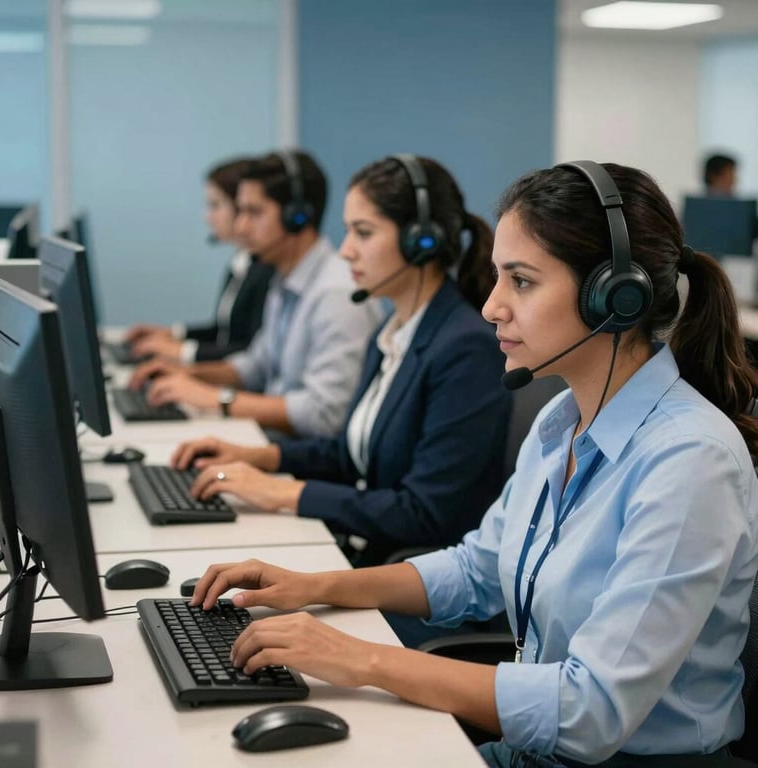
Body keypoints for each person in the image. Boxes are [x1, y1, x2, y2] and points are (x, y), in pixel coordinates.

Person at [190, 161, 758, 766]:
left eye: (521, 281)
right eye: (497, 278)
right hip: (535, 751)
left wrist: (363, 659)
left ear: (615, 297)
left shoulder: (689, 461)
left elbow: (591, 711)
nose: (490, 307)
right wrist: (313, 587)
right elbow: (477, 568)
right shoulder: (560, 419)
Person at [170, 155, 512, 567]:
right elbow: (350, 455)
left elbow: (423, 513)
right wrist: (256, 457)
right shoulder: (394, 333)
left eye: (363, 233)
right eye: (348, 231)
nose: (346, 251)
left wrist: (283, 492)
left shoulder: (464, 349)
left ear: (421, 241)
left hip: (412, 576)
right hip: (368, 549)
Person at [129, 150, 382, 438]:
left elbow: (324, 416)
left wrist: (216, 400)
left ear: (297, 217)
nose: (240, 226)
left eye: (254, 212)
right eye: (240, 211)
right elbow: (256, 365)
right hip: (274, 438)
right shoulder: (284, 277)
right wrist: (189, 376)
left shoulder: (337, 296)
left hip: (304, 460)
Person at [125, 157, 274, 362]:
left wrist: (180, 351)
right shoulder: (241, 262)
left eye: (215, 205)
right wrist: (173, 334)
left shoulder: (266, 270)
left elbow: (249, 350)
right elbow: (223, 331)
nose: (207, 217)